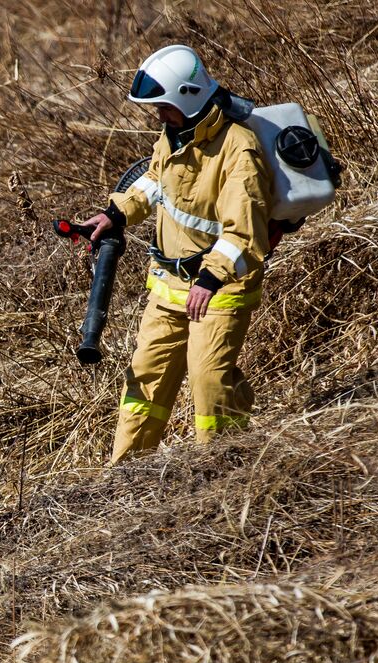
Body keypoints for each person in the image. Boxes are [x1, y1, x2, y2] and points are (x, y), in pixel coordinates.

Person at [77, 45, 272, 464]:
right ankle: (124, 473)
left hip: (219, 289)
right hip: (168, 286)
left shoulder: (239, 150)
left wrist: (209, 278)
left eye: (164, 107)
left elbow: (244, 232)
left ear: (188, 97)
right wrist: (117, 213)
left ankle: (223, 466)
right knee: (144, 381)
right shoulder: (174, 134)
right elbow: (154, 182)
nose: (159, 116)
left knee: (209, 380)